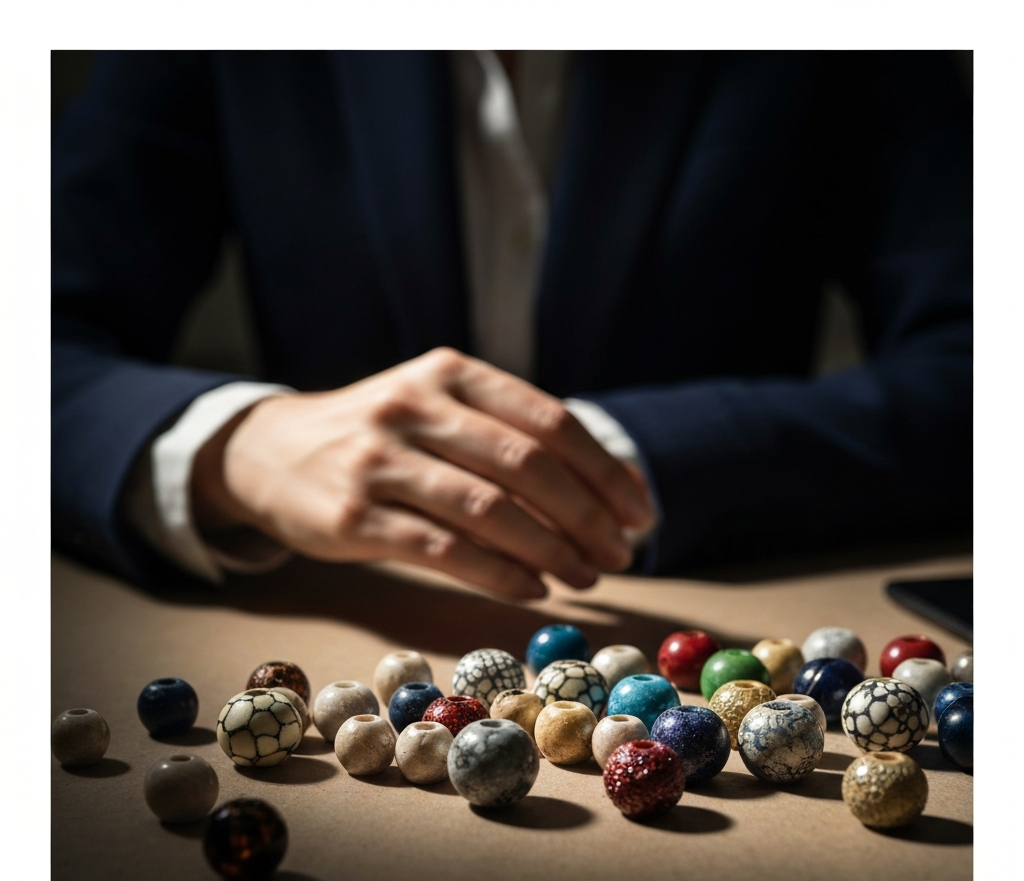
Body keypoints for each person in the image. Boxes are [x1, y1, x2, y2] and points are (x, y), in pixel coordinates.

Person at [51, 51, 972, 600]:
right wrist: (233, 445)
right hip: (331, 604)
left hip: (717, 595)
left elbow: (974, 370)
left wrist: (599, 464)